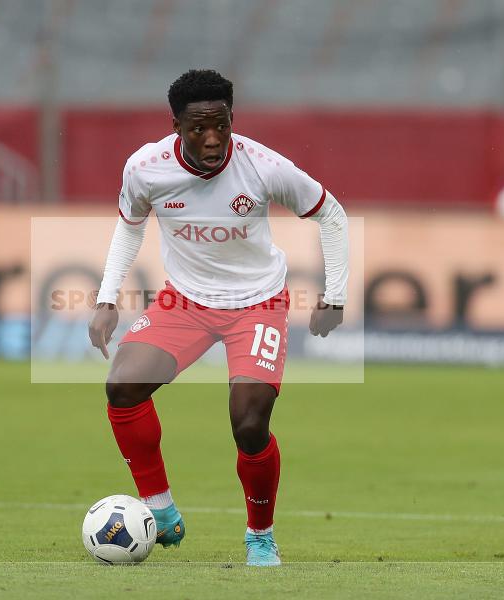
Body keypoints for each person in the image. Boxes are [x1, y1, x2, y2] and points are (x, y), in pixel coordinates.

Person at [88, 69, 349, 566]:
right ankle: (161, 512)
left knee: (249, 422)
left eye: (221, 127)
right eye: (198, 129)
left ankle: (260, 536)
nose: (212, 140)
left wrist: (333, 296)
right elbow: (129, 229)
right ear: (176, 126)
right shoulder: (145, 168)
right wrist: (105, 300)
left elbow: (330, 213)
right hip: (185, 301)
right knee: (122, 386)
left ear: (232, 120)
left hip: (258, 304)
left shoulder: (262, 166)